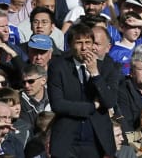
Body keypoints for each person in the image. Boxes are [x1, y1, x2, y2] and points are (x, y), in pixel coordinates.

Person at [47, 23, 117, 157]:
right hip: (67, 141)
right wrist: (91, 107)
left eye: (88, 42)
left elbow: (109, 101)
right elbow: (58, 104)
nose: (84, 48)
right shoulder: (58, 67)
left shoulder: (107, 66)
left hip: (96, 140)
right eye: (79, 43)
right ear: (70, 45)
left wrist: (95, 74)